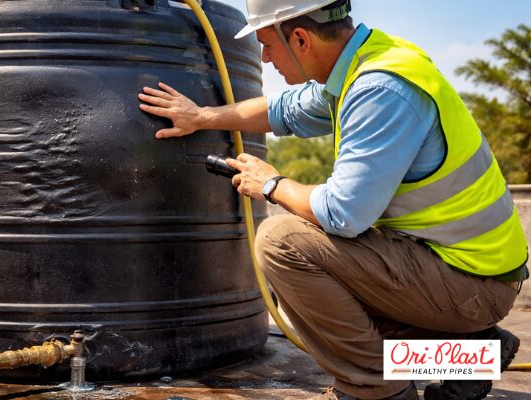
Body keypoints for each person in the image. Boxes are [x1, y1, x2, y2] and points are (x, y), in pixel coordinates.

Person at [137, 0, 528, 399]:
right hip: (467, 269)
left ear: (301, 39)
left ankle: (375, 390)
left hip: (472, 282)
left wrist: (272, 184)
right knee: (337, 311)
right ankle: (473, 354)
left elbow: (343, 214)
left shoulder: (379, 89)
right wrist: (203, 117)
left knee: (284, 245)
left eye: (267, 44)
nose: (265, 58)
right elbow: (285, 111)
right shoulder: (370, 63)